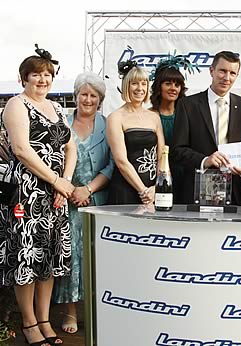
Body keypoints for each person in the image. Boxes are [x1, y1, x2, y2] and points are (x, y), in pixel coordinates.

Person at [0, 45, 76, 345]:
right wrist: (56, 180)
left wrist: (65, 182)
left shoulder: (57, 108)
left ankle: (45, 320)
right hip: (27, 192)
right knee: (27, 257)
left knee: (50, 257)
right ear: (23, 79)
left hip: (56, 193)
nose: (43, 80)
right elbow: (21, 149)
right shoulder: (16, 105)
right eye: (36, 75)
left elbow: (70, 146)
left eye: (47, 75)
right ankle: (29, 323)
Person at [52, 72, 114, 334]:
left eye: (93, 95)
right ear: (75, 96)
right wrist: (69, 189)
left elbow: (113, 164)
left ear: (100, 100)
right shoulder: (61, 122)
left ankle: (98, 309)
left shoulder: (107, 123)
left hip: (98, 198)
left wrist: (87, 188)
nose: (88, 99)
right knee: (71, 256)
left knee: (97, 256)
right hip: (65, 199)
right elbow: (53, 160)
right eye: (83, 94)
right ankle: (71, 312)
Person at [171, 51, 241, 205]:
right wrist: (205, 160)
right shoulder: (188, 105)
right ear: (212, 71)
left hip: (234, 192)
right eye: (222, 71)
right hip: (197, 190)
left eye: (232, 73)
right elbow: (178, 150)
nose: (227, 77)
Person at [107, 63, 165, 205]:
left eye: (144, 84)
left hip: (153, 190)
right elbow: (121, 161)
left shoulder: (154, 116)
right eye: (134, 84)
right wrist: (143, 191)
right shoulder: (115, 117)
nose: (140, 88)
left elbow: (162, 155)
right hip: (126, 190)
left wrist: (156, 187)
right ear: (126, 86)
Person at [150, 54, 198, 203]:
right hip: (156, 177)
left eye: (177, 85)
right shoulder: (149, 115)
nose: (173, 88)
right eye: (168, 83)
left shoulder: (189, 115)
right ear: (159, 86)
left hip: (185, 177)